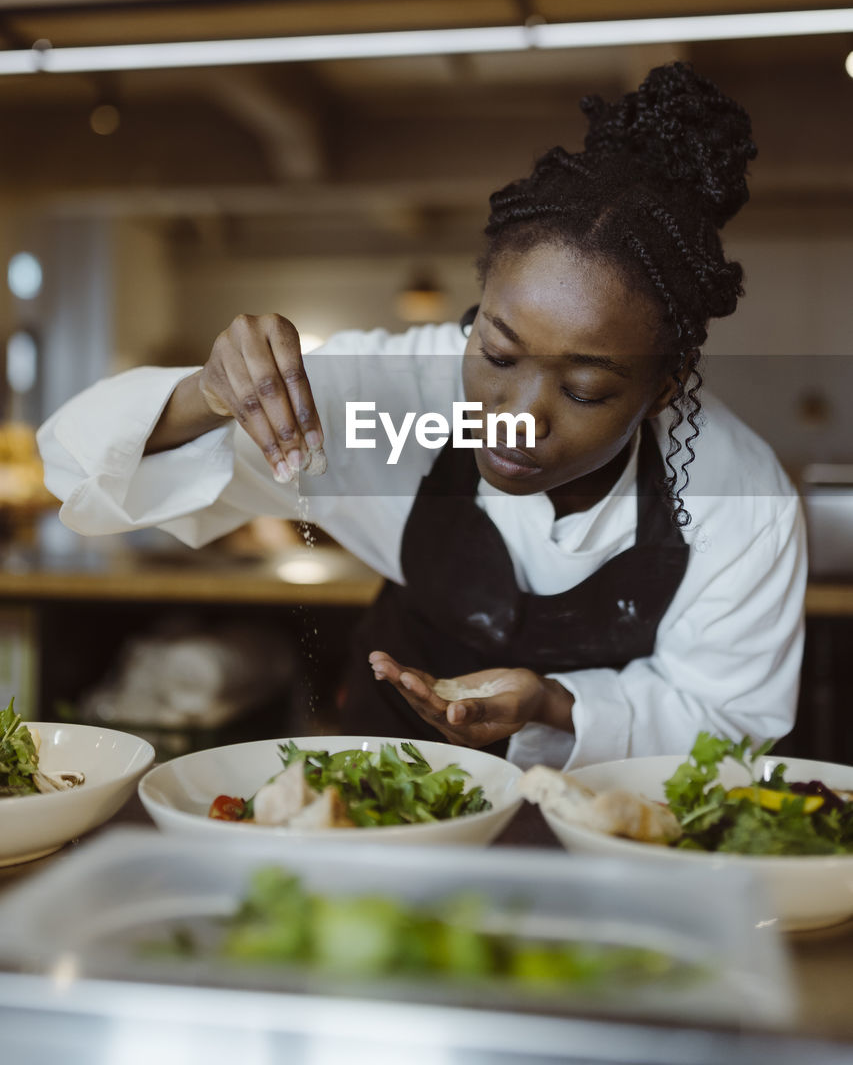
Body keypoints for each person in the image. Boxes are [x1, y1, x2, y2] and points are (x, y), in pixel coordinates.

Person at [38, 62, 806, 771]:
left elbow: (728, 717)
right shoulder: (393, 394)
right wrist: (206, 392)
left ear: (665, 387)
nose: (519, 418)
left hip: (605, 828)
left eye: (582, 390)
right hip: (382, 786)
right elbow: (80, 471)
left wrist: (554, 704)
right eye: (498, 357)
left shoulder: (737, 497)